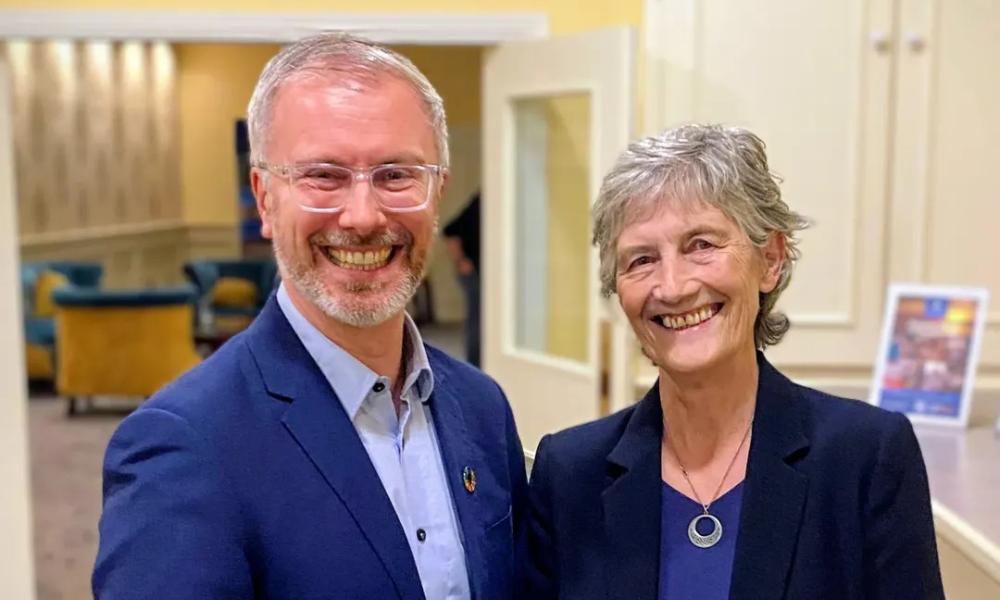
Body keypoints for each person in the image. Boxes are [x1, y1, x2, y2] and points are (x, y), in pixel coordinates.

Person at [93, 34, 527, 600]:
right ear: (265, 198)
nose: (365, 215)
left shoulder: (481, 407)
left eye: (396, 175)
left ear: (436, 192)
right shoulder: (183, 447)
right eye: (324, 175)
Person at [523, 125, 943, 599]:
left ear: (770, 260)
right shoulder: (569, 474)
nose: (673, 286)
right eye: (641, 260)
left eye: (701, 245)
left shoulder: (866, 458)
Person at [443, 192, 481, 366]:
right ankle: (476, 364)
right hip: (474, 274)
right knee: (477, 321)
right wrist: (461, 262)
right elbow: (450, 231)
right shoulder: (479, 203)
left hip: (488, 275)